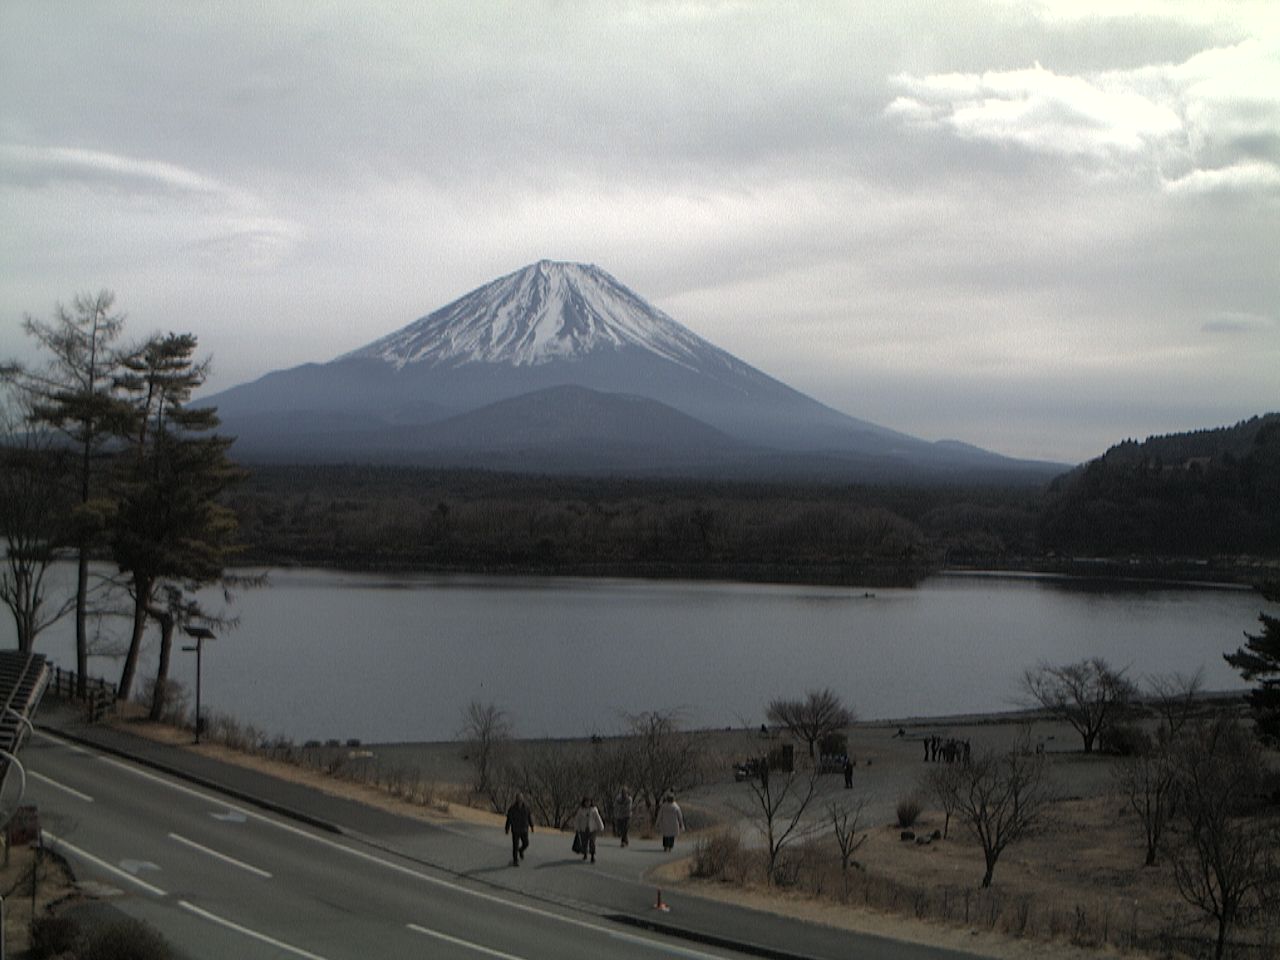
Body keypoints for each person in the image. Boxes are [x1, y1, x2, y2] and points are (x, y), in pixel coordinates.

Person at [504, 792, 533, 866]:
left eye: (521, 798)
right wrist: (507, 828)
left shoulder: (526, 808)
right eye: (518, 798)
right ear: (516, 799)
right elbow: (509, 819)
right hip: (515, 830)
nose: (520, 800)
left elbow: (529, 817)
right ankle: (515, 860)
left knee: (526, 843)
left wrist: (532, 826)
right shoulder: (512, 809)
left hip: (524, 829)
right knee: (515, 846)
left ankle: (521, 850)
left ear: (523, 799)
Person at [574, 796, 604, 863]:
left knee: (592, 842)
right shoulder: (581, 810)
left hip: (592, 829)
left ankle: (592, 856)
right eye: (586, 802)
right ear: (584, 802)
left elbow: (598, 818)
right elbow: (577, 819)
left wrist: (601, 827)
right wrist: (577, 828)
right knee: (584, 843)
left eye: (589, 802)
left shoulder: (594, 810)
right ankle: (585, 854)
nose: (588, 803)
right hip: (583, 829)